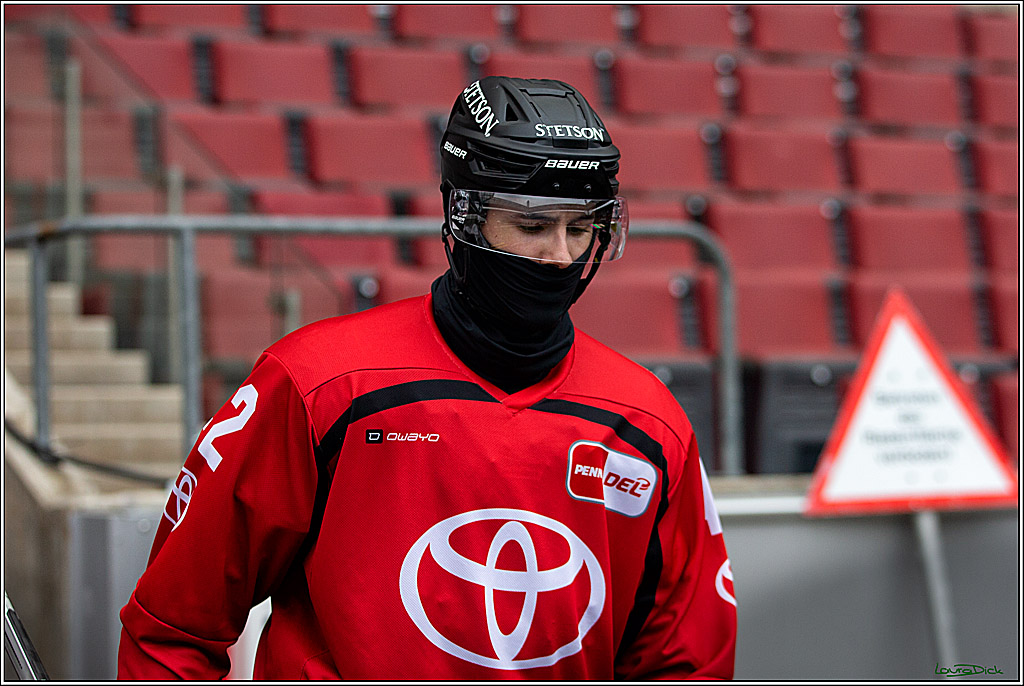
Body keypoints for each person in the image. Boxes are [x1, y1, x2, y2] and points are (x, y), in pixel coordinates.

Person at [117, 76, 737, 680]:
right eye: (532, 225)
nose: (559, 256)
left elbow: (686, 665)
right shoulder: (317, 383)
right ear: (462, 216)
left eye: (579, 229)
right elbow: (171, 630)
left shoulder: (648, 421)